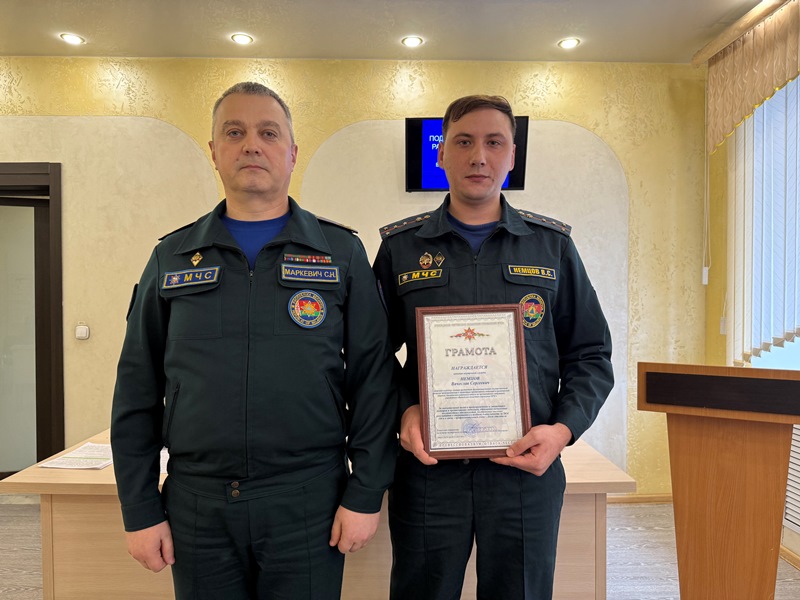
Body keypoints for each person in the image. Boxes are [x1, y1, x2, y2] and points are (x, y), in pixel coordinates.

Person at [110, 81, 397, 600]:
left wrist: (366, 491)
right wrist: (139, 507)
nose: (251, 145)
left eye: (268, 133)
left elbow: (374, 379)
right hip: (198, 504)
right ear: (214, 151)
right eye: (234, 132)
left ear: (292, 152)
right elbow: (136, 387)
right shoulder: (171, 258)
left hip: (308, 499)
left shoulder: (340, 253)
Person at [372, 95, 614, 600]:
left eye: (494, 142)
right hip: (430, 473)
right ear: (441, 153)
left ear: (512, 156)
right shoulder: (402, 248)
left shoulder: (552, 247)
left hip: (524, 471)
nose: (478, 156)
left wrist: (562, 431)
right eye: (463, 141)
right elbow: (371, 355)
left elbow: (591, 354)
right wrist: (405, 410)